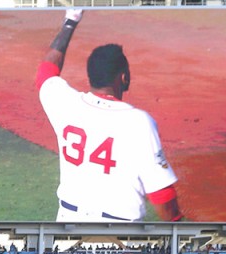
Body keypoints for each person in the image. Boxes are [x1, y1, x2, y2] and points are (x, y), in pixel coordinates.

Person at [37, 9, 184, 223]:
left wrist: (70, 22)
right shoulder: (138, 122)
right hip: (118, 233)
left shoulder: (65, 103)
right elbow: (161, 194)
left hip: (67, 226)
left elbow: (46, 71)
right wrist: (179, 228)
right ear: (123, 77)